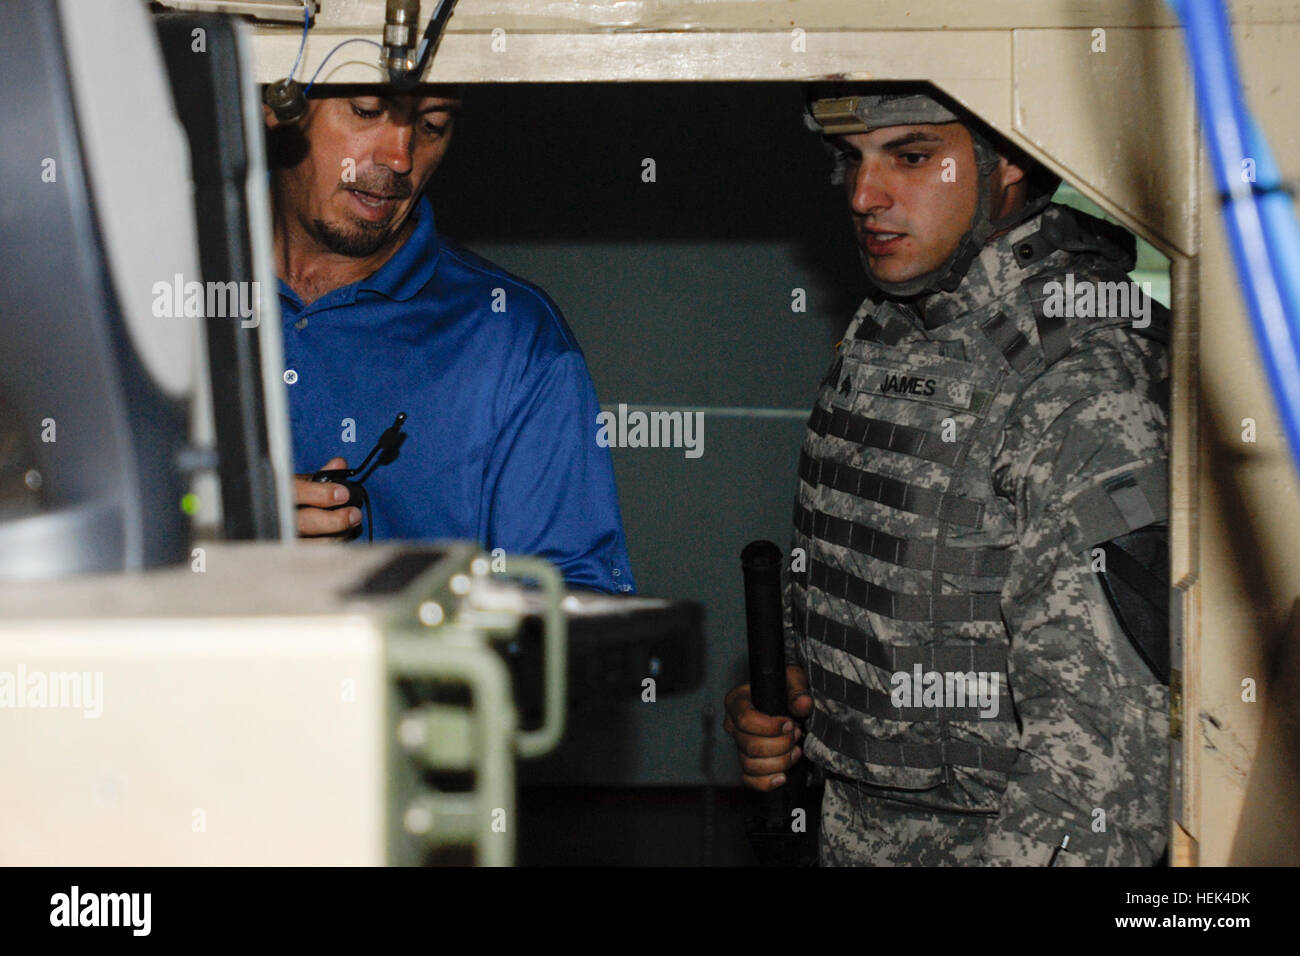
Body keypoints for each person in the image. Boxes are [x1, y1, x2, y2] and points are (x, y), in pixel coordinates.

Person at [724, 88, 1170, 865]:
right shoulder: (894, 327)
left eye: (913, 156)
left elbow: (1103, 764)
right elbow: (879, 579)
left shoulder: (1084, 377)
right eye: (850, 161)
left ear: (1014, 161)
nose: (864, 196)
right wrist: (795, 692)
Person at [264, 85, 635, 594]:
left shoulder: (514, 339)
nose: (400, 156)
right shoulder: (155, 299)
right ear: (273, 106)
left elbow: (571, 611)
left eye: (432, 124)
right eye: (366, 110)